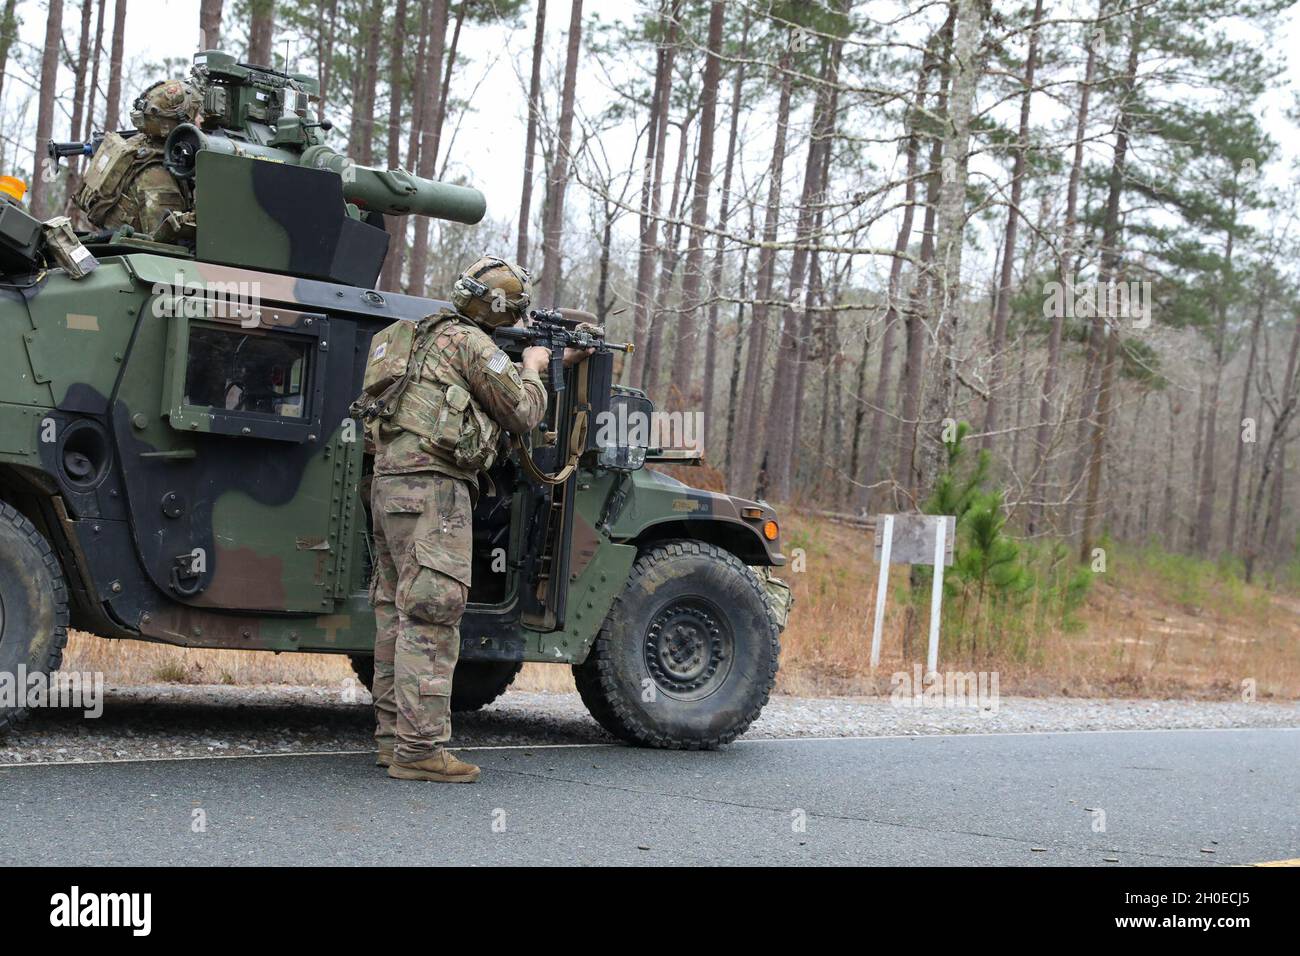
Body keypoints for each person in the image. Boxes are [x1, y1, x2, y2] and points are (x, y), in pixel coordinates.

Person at [365, 255, 584, 783]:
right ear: (499, 308)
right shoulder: (470, 343)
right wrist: (533, 366)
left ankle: (394, 740)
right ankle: (420, 751)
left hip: (392, 485)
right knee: (433, 612)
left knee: (398, 612)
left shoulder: (422, 335)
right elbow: (523, 413)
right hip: (435, 488)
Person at [74, 79, 202, 238]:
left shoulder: (139, 145)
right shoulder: (157, 176)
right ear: (181, 123)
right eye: (198, 115)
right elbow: (165, 242)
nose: (202, 121)